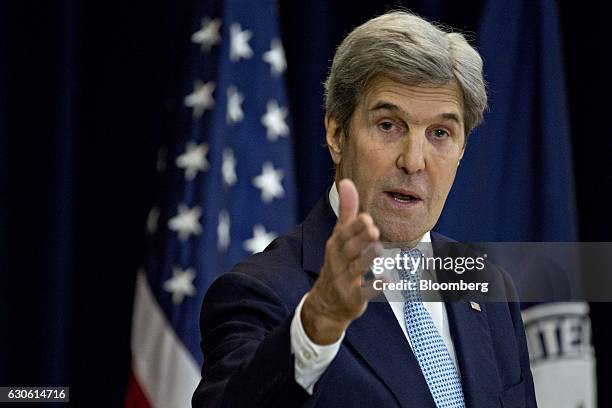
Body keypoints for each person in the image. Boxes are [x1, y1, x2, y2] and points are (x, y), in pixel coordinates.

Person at [192, 10, 536, 408]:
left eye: (440, 133)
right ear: (337, 134)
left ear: (461, 150)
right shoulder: (263, 291)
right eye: (389, 125)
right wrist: (317, 325)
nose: (414, 160)